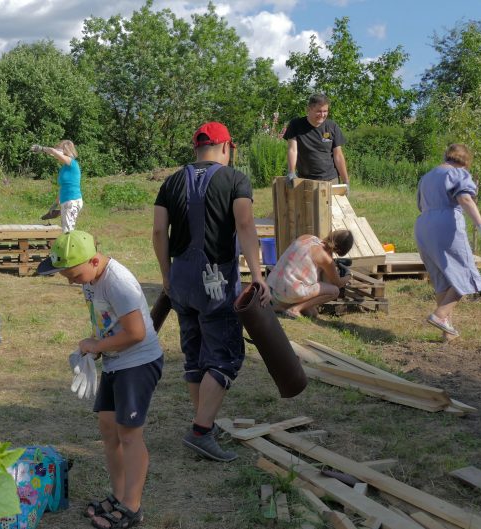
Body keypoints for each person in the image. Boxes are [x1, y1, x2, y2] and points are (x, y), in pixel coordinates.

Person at [152, 122, 269, 463]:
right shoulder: (235, 180)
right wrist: (258, 276)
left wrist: (166, 276)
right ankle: (201, 431)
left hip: (181, 280)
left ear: (196, 148)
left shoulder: (171, 181)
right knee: (224, 355)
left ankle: (204, 422)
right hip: (216, 280)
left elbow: (159, 231)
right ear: (226, 147)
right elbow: (246, 225)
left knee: (195, 354)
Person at [37, 230, 162, 529]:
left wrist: (97, 346)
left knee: (130, 434)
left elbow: (136, 333)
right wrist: (92, 349)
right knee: (108, 429)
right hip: (116, 362)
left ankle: (132, 507)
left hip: (139, 362)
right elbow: (109, 325)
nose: (70, 281)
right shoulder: (91, 278)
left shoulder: (118, 282)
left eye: (73, 274)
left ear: (94, 260)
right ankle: (119, 496)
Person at [415, 143, 481, 341]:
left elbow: (420, 205)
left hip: (423, 226)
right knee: (466, 274)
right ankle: (440, 316)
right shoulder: (458, 174)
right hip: (446, 225)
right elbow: (465, 199)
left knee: (443, 280)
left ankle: (447, 334)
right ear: (465, 161)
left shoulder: (427, 176)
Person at [266, 230, 354, 319]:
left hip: (273, 288)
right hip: (287, 293)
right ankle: (294, 309)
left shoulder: (307, 237)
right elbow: (337, 283)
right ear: (340, 250)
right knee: (334, 291)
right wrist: (349, 275)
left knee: (312, 313)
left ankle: (281, 306)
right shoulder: (326, 259)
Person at [283, 93, 350, 189]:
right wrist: (291, 172)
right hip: (305, 180)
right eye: (319, 111)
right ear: (309, 109)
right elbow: (293, 150)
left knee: (332, 204)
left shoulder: (332, 126)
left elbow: (338, 156)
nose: (322, 115)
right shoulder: (296, 125)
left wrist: (346, 181)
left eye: (325, 111)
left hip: (331, 180)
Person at [32, 140, 83, 232]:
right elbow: (63, 187)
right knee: (66, 230)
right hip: (66, 200)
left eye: (60, 148)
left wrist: (41, 148)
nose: (57, 150)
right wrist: (55, 205)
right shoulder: (65, 167)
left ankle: (69, 246)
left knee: (68, 231)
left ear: (65, 150)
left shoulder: (71, 162)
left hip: (72, 200)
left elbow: (53, 151)